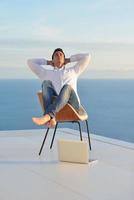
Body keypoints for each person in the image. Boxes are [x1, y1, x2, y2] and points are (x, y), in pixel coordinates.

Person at [27, 48, 91, 128]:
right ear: (52, 60)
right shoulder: (46, 73)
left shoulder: (73, 71)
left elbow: (87, 56)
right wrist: (47, 62)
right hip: (58, 108)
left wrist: (70, 60)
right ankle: (52, 118)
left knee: (67, 87)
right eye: (56, 55)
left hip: (72, 106)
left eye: (61, 54)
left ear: (64, 59)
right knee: (46, 83)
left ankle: (47, 116)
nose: (59, 56)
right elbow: (30, 62)